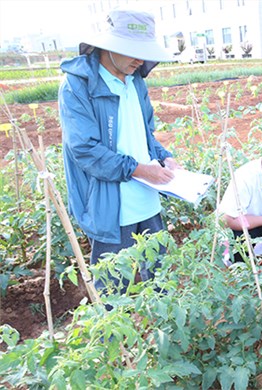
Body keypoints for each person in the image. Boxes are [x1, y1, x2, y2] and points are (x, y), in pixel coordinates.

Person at [58, 8, 180, 294]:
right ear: (108, 46)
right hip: (110, 204)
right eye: (132, 51)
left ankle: (162, 334)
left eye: (143, 52)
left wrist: (164, 157)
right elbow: (85, 150)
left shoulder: (136, 82)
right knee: (113, 287)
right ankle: (118, 338)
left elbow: (144, 134)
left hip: (146, 197)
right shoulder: (77, 86)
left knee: (160, 279)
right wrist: (140, 169)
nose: (140, 60)